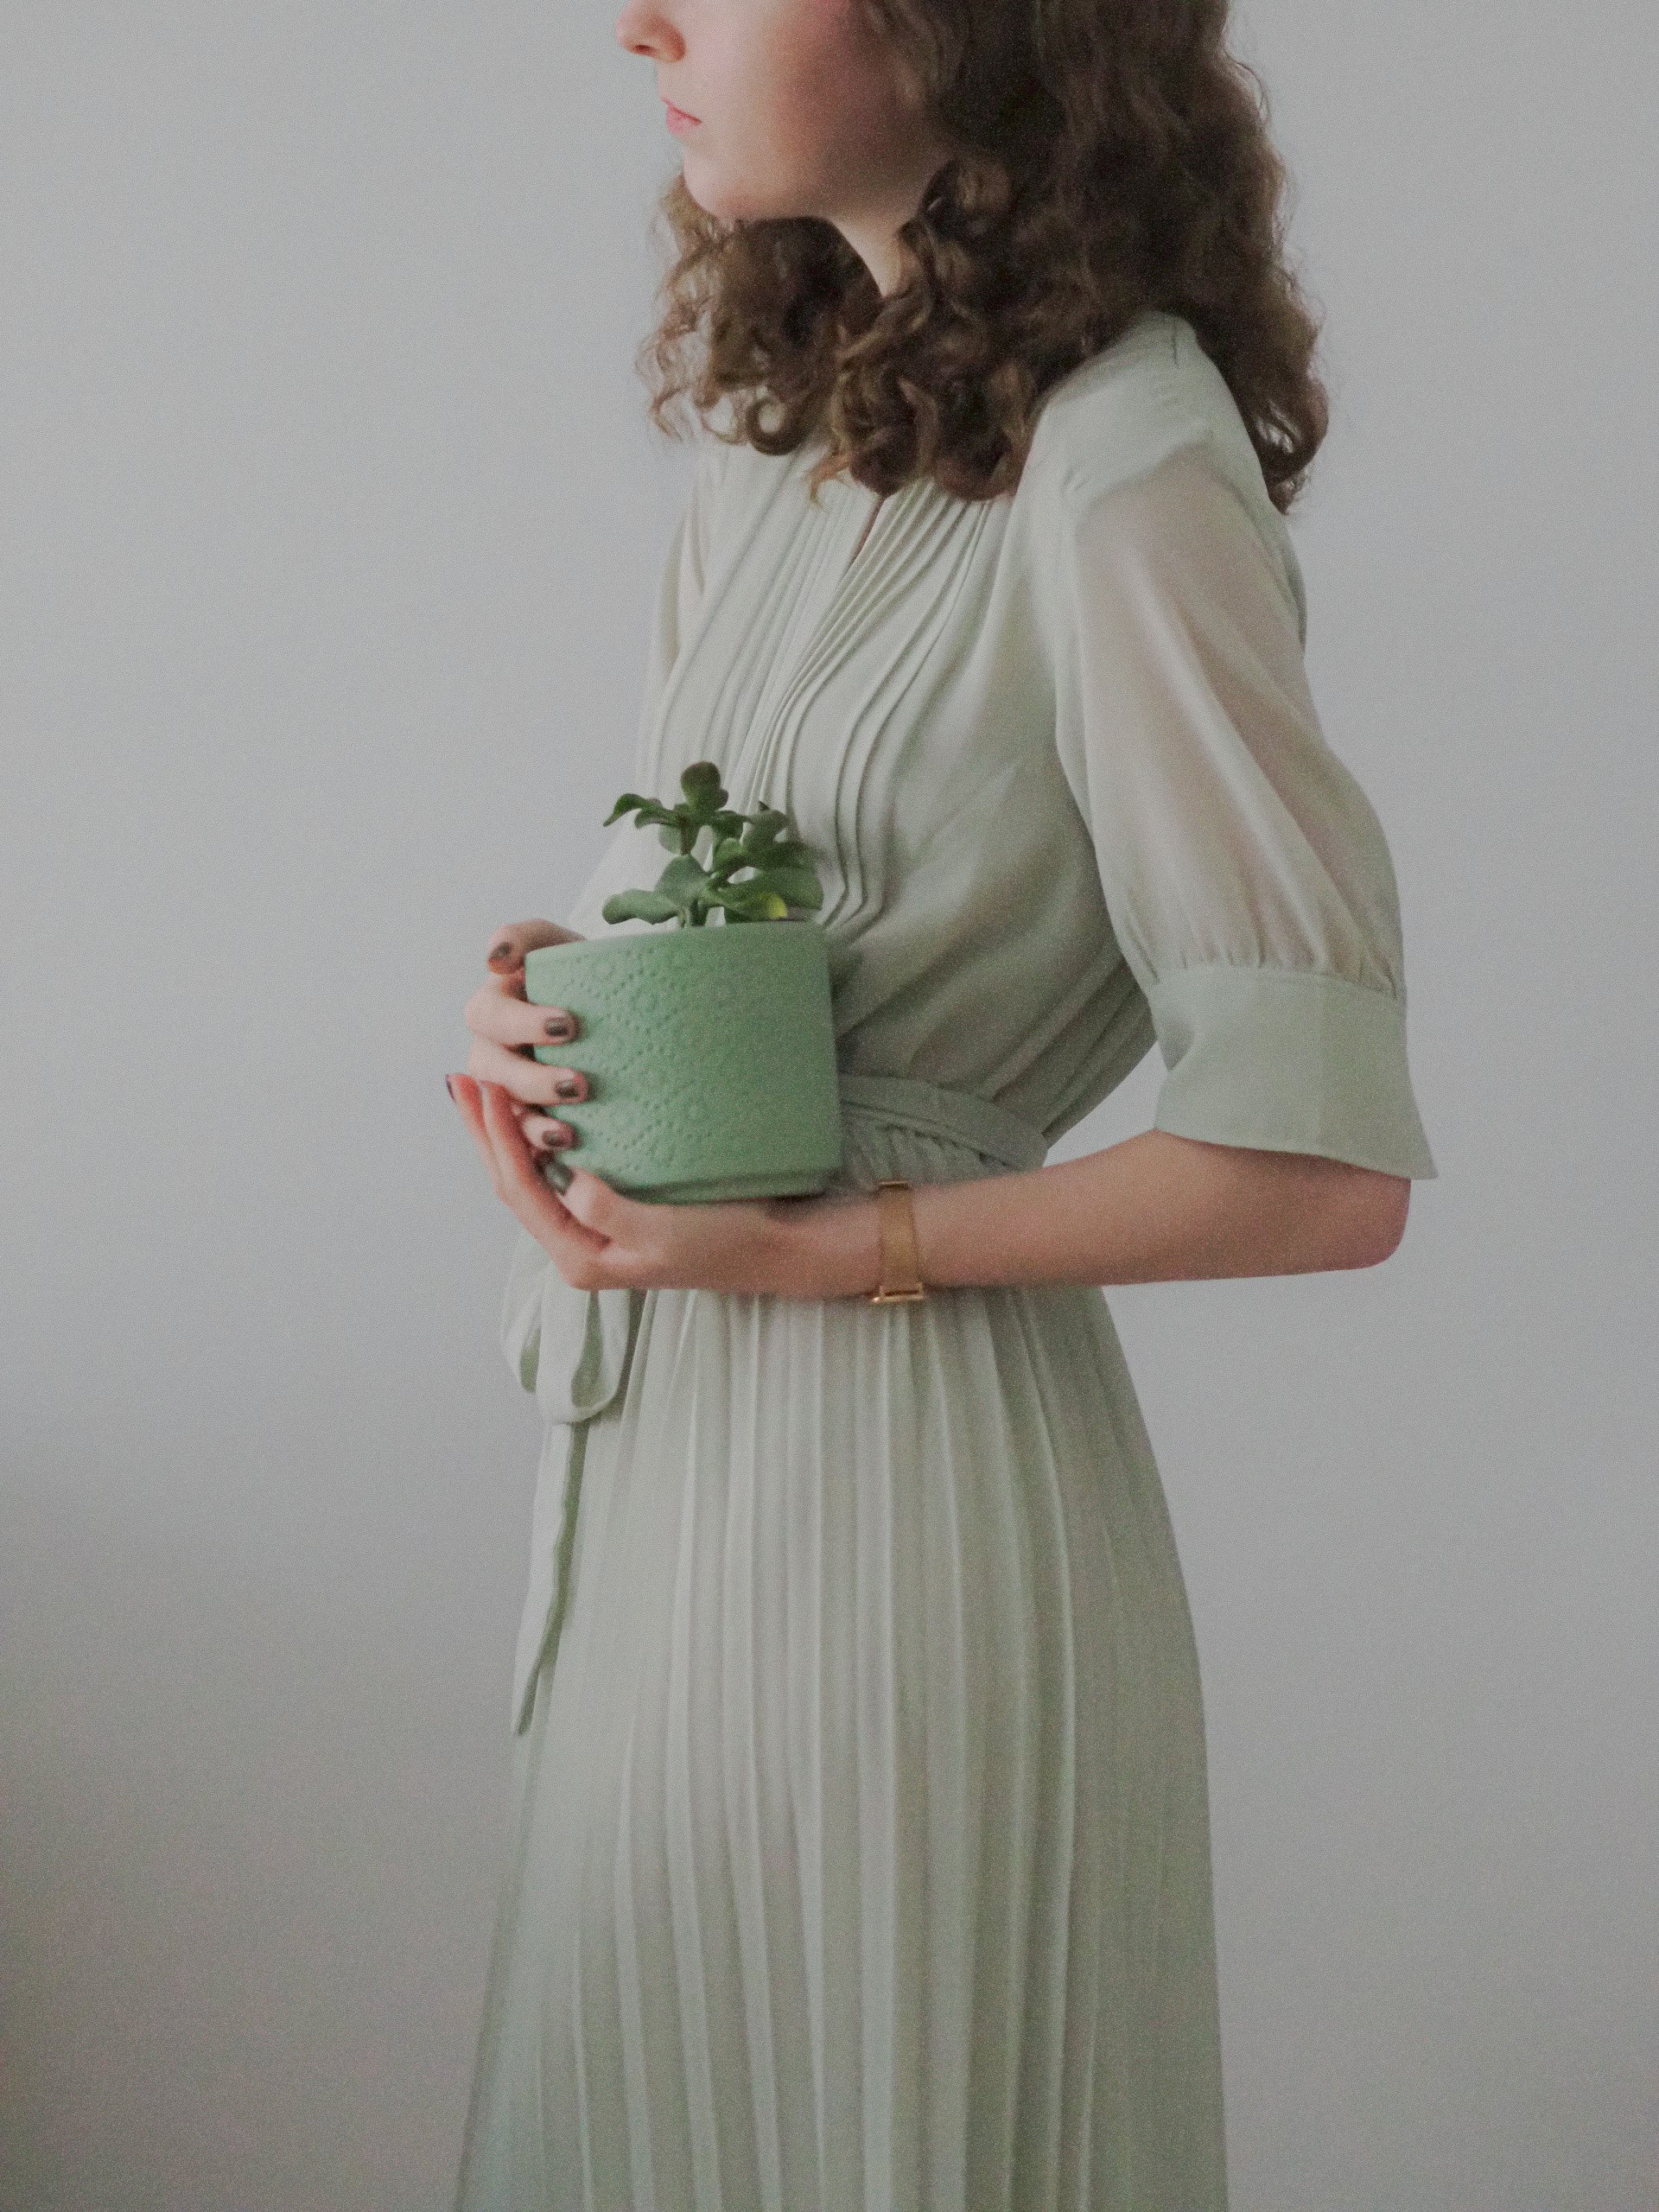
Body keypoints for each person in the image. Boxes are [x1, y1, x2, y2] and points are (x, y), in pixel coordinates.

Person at [443, 0, 1438, 2197]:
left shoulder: (1126, 452)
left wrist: (829, 1243)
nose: (648, 22)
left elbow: (1323, 1158)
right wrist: (554, 1004)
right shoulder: (793, 450)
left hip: (894, 1534)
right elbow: (761, 935)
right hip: (660, 1506)